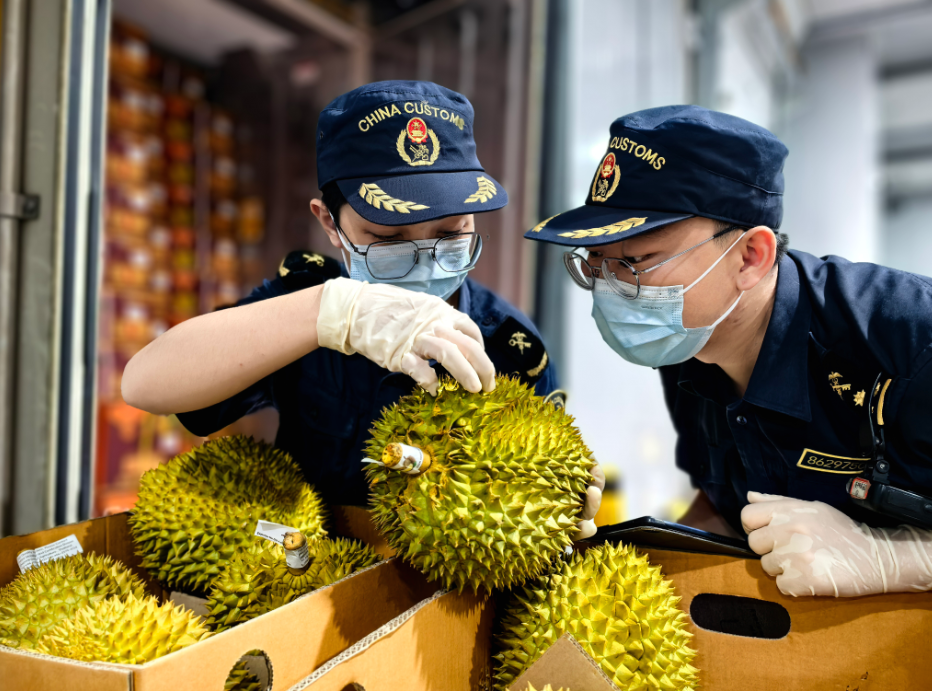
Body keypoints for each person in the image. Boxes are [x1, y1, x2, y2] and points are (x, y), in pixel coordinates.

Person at [123, 80, 602, 535]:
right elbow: (145, 382)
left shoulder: (511, 348)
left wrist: (558, 503)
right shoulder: (305, 303)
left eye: (451, 232)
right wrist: (331, 314)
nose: (426, 258)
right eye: (388, 238)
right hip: (303, 571)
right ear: (329, 224)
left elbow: (536, 495)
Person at [524, 105, 932, 597]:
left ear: (750, 257)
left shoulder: (910, 338)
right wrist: (621, 568)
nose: (610, 289)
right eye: (596, 264)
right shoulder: (689, 345)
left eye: (634, 262)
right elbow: (723, 509)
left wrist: (895, 558)